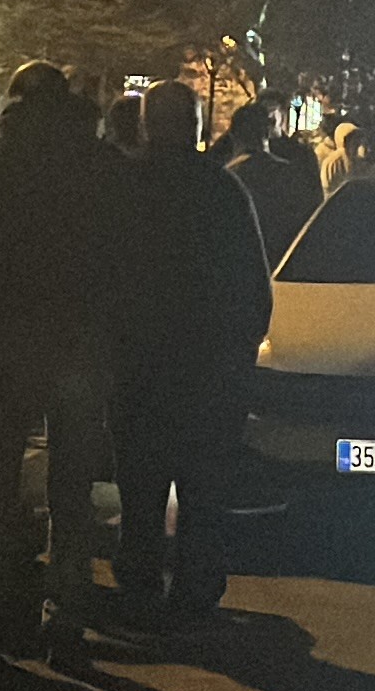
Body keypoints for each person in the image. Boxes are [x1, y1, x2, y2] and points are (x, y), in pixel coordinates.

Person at [0, 62, 131, 659]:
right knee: (72, 485)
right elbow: (124, 256)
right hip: (80, 336)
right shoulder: (102, 164)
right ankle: (66, 609)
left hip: (5, 334)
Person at [112, 82, 271, 627]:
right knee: (203, 489)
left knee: (140, 485)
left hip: (139, 364)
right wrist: (238, 356)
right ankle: (196, 588)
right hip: (207, 368)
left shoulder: (125, 186)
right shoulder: (222, 190)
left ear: (145, 125)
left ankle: (138, 582)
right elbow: (253, 286)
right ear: (197, 126)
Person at [216, 100, 324, 267]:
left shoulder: (226, 180)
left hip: (241, 265)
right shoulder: (291, 175)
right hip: (285, 263)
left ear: (233, 136)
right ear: (268, 132)